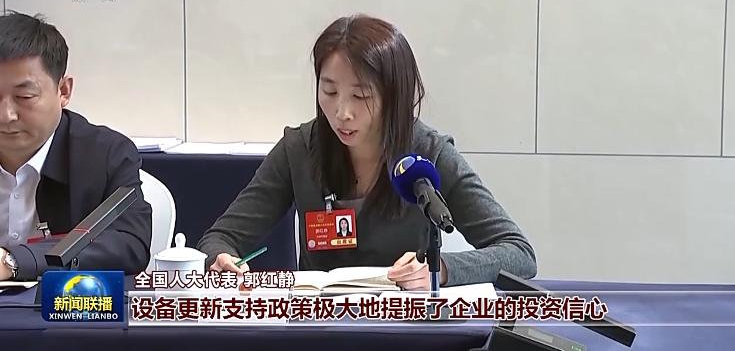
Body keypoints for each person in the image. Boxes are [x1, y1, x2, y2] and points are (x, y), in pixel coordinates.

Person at [198, 14, 536, 290]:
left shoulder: (428, 152)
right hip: (319, 330)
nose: (342, 113)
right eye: (329, 91)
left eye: (360, 96)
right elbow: (220, 238)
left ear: (394, 95)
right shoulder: (299, 149)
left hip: (405, 329)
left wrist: (441, 269)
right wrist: (221, 259)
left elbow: (518, 253)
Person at [0, 11, 152, 281]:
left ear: (64, 91)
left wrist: (13, 261)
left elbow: (129, 243)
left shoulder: (106, 155)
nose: (6, 115)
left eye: (24, 96)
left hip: (61, 304)